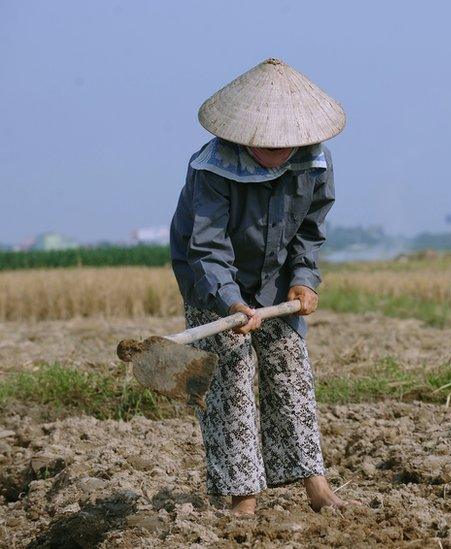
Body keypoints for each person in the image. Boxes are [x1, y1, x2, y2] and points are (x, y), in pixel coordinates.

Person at [169, 58, 356, 515]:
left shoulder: (314, 162)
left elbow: (309, 232)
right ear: (245, 135)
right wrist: (231, 303)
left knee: (291, 372)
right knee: (230, 379)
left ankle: (316, 484)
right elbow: (208, 248)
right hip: (211, 282)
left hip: (275, 284)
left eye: (285, 143)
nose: (277, 151)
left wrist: (304, 280)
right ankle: (243, 497)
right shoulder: (212, 168)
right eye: (267, 144)